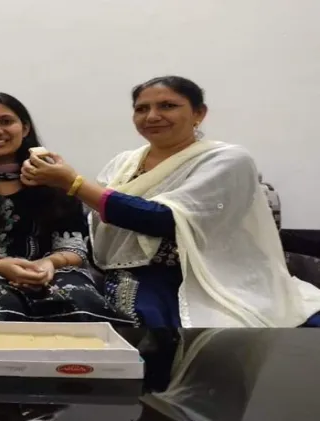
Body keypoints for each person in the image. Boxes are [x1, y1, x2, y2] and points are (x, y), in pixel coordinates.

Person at [20, 75, 320, 327]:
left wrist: (72, 183)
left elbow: (163, 220)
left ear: (199, 113)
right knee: (131, 320)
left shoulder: (228, 159)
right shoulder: (123, 162)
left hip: (212, 272)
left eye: (168, 106)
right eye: (142, 109)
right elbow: (94, 221)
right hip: (134, 272)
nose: (152, 116)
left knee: (221, 327)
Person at [0, 92, 134, 325]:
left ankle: (78, 364)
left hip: (49, 272)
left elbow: (74, 247)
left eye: (6, 121)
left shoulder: (56, 179)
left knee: (78, 299)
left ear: (25, 128)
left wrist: (48, 264)